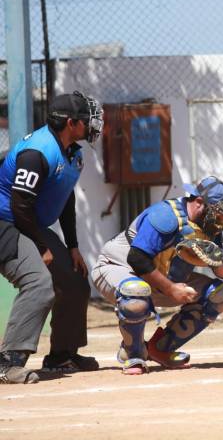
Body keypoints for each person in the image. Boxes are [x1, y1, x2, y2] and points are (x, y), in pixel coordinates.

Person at [0, 91, 104, 384]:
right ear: (70, 123)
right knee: (39, 283)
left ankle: (62, 354)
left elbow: (65, 198)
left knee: (73, 279)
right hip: (6, 223)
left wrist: (72, 246)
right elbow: (20, 205)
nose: (93, 124)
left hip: (26, 222)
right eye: (86, 119)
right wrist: (43, 246)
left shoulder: (73, 152)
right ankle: (8, 362)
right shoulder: (38, 152)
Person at [90, 176, 223, 375]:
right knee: (135, 291)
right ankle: (133, 353)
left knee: (219, 294)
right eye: (218, 214)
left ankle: (160, 348)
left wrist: (217, 259)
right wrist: (171, 289)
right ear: (199, 202)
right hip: (119, 267)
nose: (222, 221)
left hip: (160, 278)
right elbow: (137, 258)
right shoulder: (165, 215)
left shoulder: (209, 227)